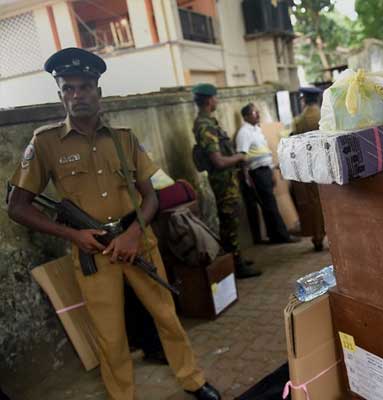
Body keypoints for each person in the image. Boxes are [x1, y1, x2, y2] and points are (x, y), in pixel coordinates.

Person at [7, 48, 221, 400]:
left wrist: (134, 234)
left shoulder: (124, 138)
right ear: (60, 93)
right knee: (109, 335)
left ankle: (193, 380)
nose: (77, 95)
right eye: (69, 87)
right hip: (93, 252)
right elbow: (18, 207)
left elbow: (151, 197)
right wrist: (73, 234)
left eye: (85, 86)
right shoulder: (44, 143)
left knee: (167, 317)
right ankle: (123, 395)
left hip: (138, 242)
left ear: (98, 91)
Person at [192, 84, 261, 279]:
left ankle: (235, 257)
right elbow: (218, 161)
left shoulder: (210, 122)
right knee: (228, 223)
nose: (217, 101)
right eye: (215, 97)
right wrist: (240, 157)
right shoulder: (204, 125)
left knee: (231, 222)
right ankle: (236, 265)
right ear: (208, 100)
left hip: (228, 182)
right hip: (222, 183)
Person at [236, 103, 299, 244]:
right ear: (246, 116)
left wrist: (271, 171)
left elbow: (264, 152)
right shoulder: (244, 133)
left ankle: (274, 235)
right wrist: (247, 179)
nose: (258, 114)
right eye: (254, 112)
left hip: (266, 170)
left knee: (269, 205)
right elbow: (242, 156)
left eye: (258, 112)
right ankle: (282, 236)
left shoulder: (256, 130)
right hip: (257, 173)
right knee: (270, 205)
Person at [290, 87, 326, 251]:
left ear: (303, 99)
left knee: (315, 202)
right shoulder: (325, 115)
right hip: (328, 164)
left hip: (311, 167)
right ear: (317, 99)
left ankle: (318, 237)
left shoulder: (299, 121)